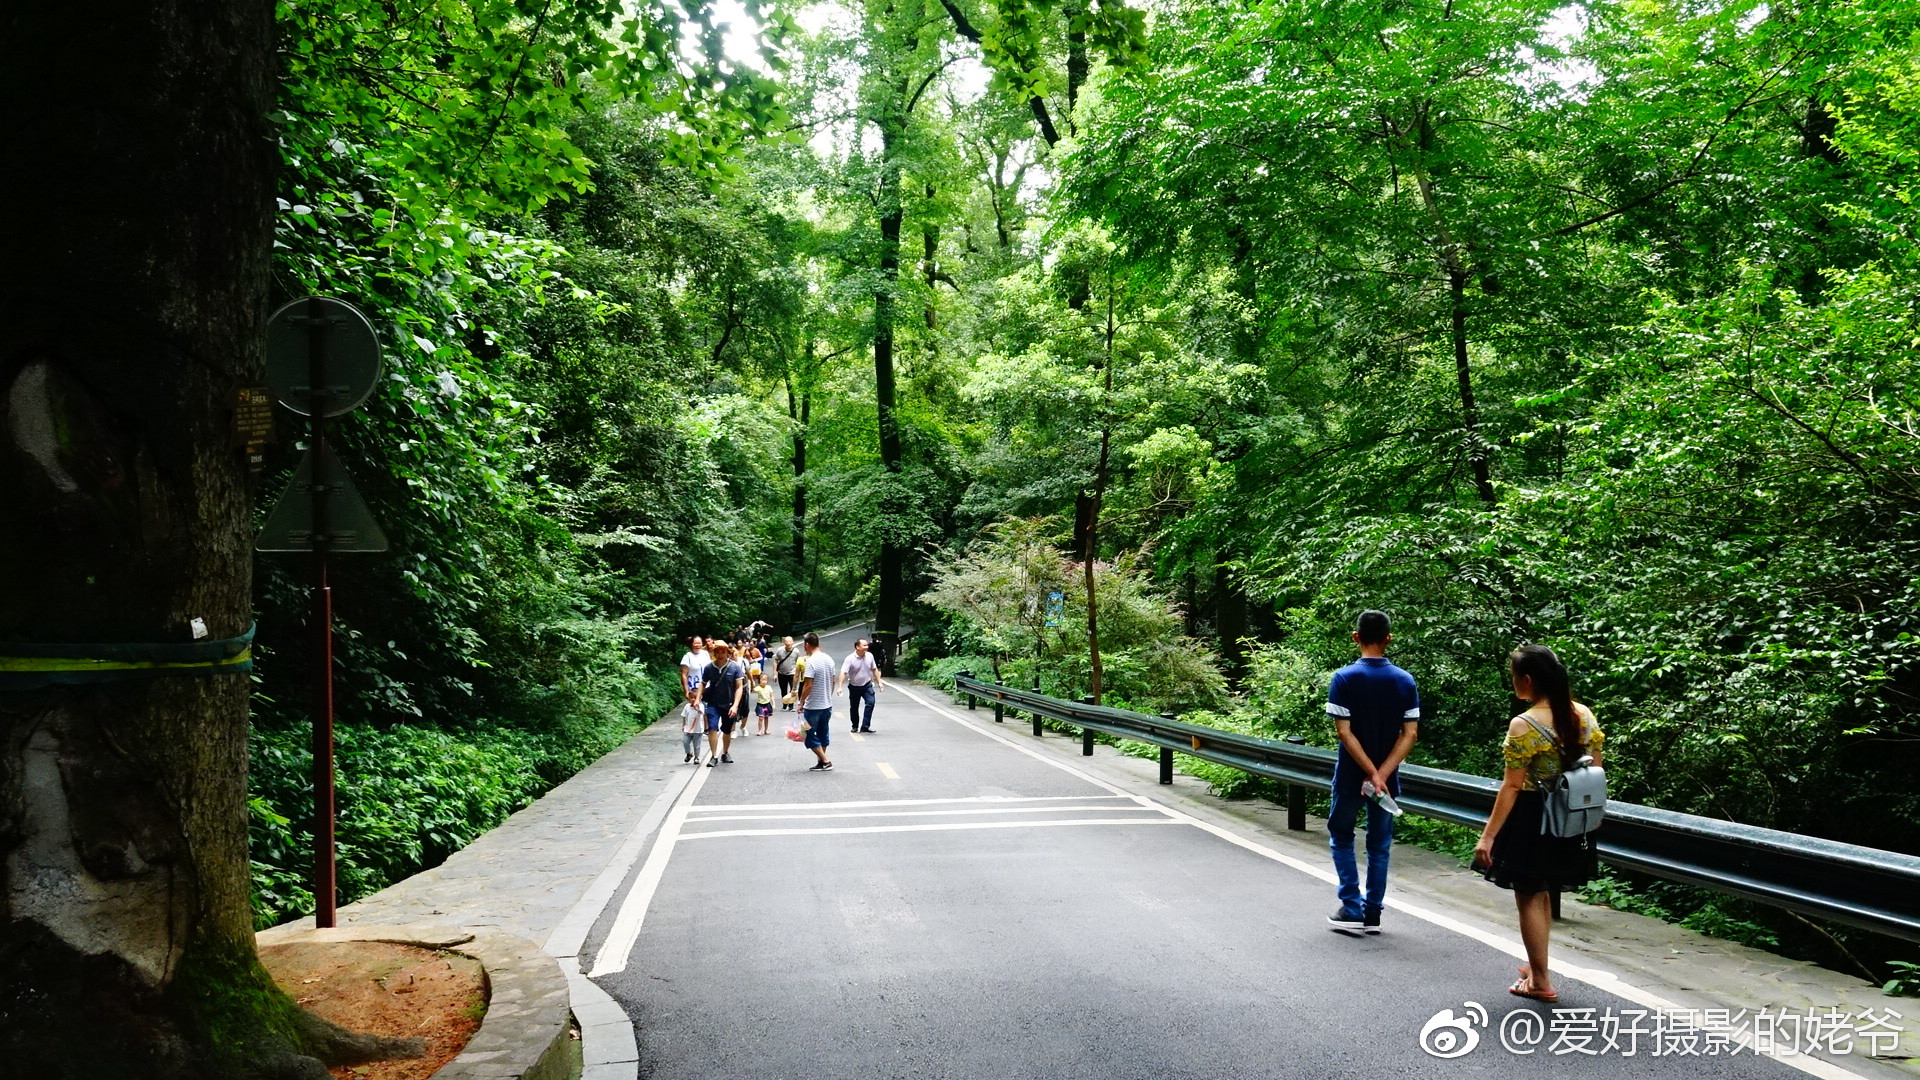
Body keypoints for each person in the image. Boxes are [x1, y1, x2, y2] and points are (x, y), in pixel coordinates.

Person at [1474, 644, 1604, 1004]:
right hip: (1571, 817)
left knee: (1529, 896)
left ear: (1527, 680)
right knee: (1542, 893)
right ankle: (1537, 968)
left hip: (1533, 817)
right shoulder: (1584, 715)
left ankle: (1541, 981)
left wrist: (1488, 837)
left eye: (1514, 676)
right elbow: (1595, 770)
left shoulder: (1524, 724)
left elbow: (1512, 786)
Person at [1324, 609, 1420, 935]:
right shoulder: (1405, 681)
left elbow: (1344, 733)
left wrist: (1368, 772)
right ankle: (1373, 913)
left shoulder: (1344, 678)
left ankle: (1351, 906)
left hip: (1351, 775)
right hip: (1387, 780)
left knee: (1341, 835)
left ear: (1356, 638)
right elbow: (1410, 735)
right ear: (1388, 639)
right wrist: (1382, 775)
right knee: (1379, 845)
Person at [700, 642, 746, 766]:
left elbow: (739, 687)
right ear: (714, 653)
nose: (720, 655)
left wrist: (735, 705)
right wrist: (697, 698)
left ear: (728, 653)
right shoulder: (709, 668)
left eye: (723, 652)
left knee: (727, 730)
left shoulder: (735, 667)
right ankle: (714, 756)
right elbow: (703, 683)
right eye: (718, 652)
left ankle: (725, 752)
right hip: (713, 703)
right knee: (712, 728)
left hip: (729, 703)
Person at [797, 632, 834, 771]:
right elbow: (832, 681)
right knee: (823, 733)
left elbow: (808, 685)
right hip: (827, 704)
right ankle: (821, 762)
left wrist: (801, 702)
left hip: (813, 706)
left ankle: (825, 760)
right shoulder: (828, 659)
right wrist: (828, 696)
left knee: (806, 734)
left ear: (807, 644)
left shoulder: (811, 661)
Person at [838, 637, 884, 733]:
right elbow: (843, 673)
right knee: (854, 707)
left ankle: (865, 726)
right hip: (854, 686)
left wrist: (879, 682)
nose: (867, 647)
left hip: (867, 685)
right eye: (864, 645)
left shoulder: (870, 656)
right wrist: (840, 687)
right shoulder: (850, 659)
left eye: (867, 645)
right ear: (857, 647)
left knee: (870, 702)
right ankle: (855, 725)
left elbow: (874, 669)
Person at [773, 636, 800, 709]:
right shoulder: (779, 650)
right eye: (787, 642)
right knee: (783, 689)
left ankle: (791, 706)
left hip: (792, 673)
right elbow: (775, 661)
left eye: (790, 642)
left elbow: (798, 663)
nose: (788, 643)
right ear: (784, 642)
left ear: (792, 642)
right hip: (782, 672)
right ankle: (784, 705)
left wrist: (799, 673)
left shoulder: (796, 651)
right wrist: (774, 674)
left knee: (793, 689)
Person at [680, 696, 707, 764]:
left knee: (696, 745)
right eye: (691, 698)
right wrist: (683, 725)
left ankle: (696, 757)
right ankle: (689, 753)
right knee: (685, 741)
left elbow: (702, 713)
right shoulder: (687, 706)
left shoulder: (701, 706)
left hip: (697, 729)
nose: (693, 699)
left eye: (695, 698)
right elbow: (684, 716)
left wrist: (697, 709)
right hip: (688, 729)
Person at [750, 666, 775, 735]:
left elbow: (771, 695)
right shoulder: (758, 688)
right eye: (762, 680)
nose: (764, 681)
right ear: (759, 681)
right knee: (761, 717)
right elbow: (752, 690)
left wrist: (773, 704)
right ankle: (759, 730)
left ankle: (766, 729)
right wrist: (752, 683)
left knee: (766, 717)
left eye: (765, 680)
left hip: (767, 704)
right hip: (760, 704)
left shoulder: (769, 687)